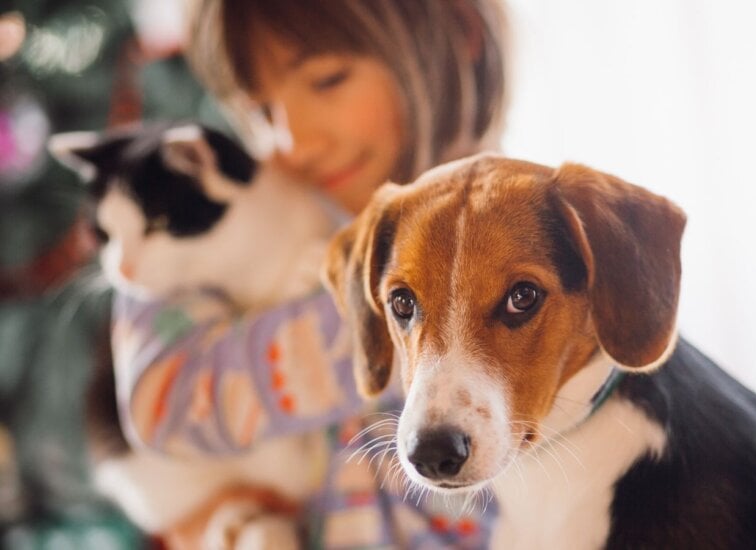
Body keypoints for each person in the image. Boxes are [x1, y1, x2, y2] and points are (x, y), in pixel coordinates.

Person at [112, 0, 510, 547]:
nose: (294, 141)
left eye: (327, 80)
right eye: (262, 109)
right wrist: (398, 321)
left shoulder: (538, 246)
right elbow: (159, 403)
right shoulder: (228, 211)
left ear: (459, 31)